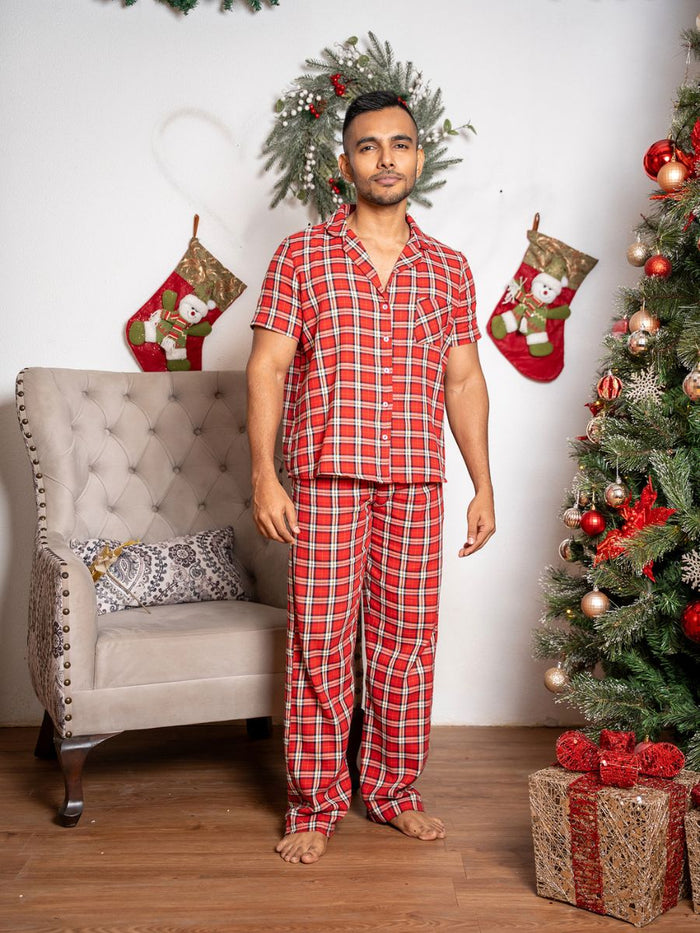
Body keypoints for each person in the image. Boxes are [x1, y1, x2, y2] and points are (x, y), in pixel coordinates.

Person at [246, 90, 495, 865]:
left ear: (419, 157)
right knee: (321, 642)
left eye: (400, 144)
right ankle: (316, 802)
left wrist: (484, 484)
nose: (386, 158)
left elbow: (464, 380)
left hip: (417, 481)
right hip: (326, 480)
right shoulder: (301, 256)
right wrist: (264, 475)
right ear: (345, 162)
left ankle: (392, 790)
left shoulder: (448, 268)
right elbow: (268, 368)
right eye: (368, 146)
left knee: (407, 643)